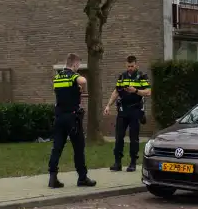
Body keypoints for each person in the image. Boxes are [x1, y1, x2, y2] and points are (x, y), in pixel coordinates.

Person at [48, 53, 96, 189]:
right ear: (74, 64)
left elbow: (61, 92)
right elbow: (83, 81)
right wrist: (82, 88)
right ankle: (82, 177)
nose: (78, 68)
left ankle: (52, 177)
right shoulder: (73, 76)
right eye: (78, 66)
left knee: (57, 147)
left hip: (59, 117)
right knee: (79, 148)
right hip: (72, 118)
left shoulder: (57, 77)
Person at [103, 55, 151, 172]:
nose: (130, 68)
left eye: (132, 66)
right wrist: (108, 105)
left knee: (134, 138)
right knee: (119, 137)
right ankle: (117, 162)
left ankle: (133, 163)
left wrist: (135, 90)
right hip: (122, 111)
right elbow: (116, 91)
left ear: (136, 65)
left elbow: (148, 92)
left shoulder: (142, 76)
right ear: (126, 65)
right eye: (128, 66)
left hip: (135, 110)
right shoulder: (122, 76)